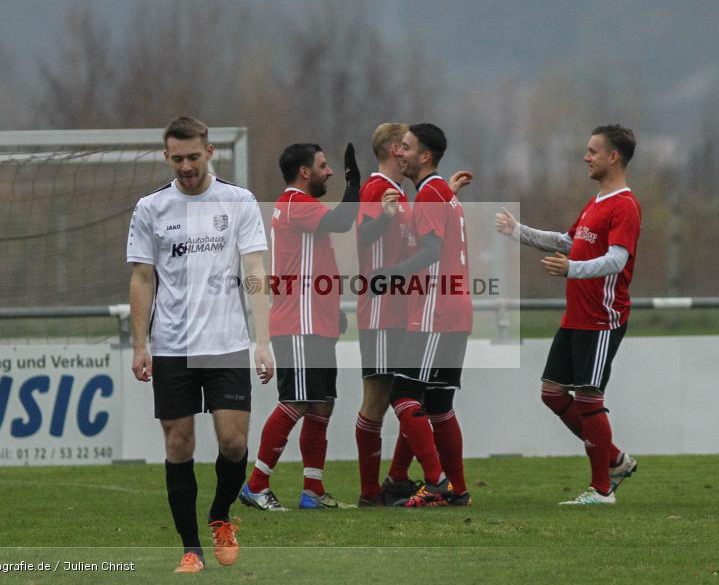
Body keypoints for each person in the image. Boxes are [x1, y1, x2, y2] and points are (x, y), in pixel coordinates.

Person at [127, 116, 274, 573]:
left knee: (233, 443)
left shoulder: (239, 201)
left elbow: (255, 270)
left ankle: (220, 514)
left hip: (226, 343)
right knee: (179, 445)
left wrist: (263, 340)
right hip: (172, 347)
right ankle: (191, 548)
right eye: (178, 159)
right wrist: (140, 345)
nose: (186, 166)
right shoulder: (151, 208)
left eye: (193, 157)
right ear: (166, 157)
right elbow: (142, 277)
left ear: (209, 152)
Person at [496, 124, 641, 505]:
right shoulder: (596, 202)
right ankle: (614, 460)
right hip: (576, 316)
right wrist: (518, 232)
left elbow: (617, 260)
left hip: (602, 317)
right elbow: (567, 241)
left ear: (613, 157)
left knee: (589, 397)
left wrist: (572, 269)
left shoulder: (625, 206)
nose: (585, 157)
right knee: (552, 393)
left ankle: (601, 489)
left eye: (593, 151)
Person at [354, 122, 475, 507]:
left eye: (408, 147)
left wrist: (389, 274)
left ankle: (432, 482)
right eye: (400, 146)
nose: (401, 152)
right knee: (429, 402)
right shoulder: (420, 192)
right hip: (437, 309)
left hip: (431, 310)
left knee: (405, 395)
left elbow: (431, 248)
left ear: (423, 155)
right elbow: (369, 235)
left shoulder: (426, 194)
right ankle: (449, 489)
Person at [239, 142, 361, 511]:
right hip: (298, 324)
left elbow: (314, 264)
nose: (329, 172)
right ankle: (256, 485)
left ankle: (312, 491)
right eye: (323, 166)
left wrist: (332, 309)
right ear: (304, 172)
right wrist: (355, 184)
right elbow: (342, 222)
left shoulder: (300, 206)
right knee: (295, 401)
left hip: (314, 321)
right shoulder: (295, 202)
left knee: (321, 405)